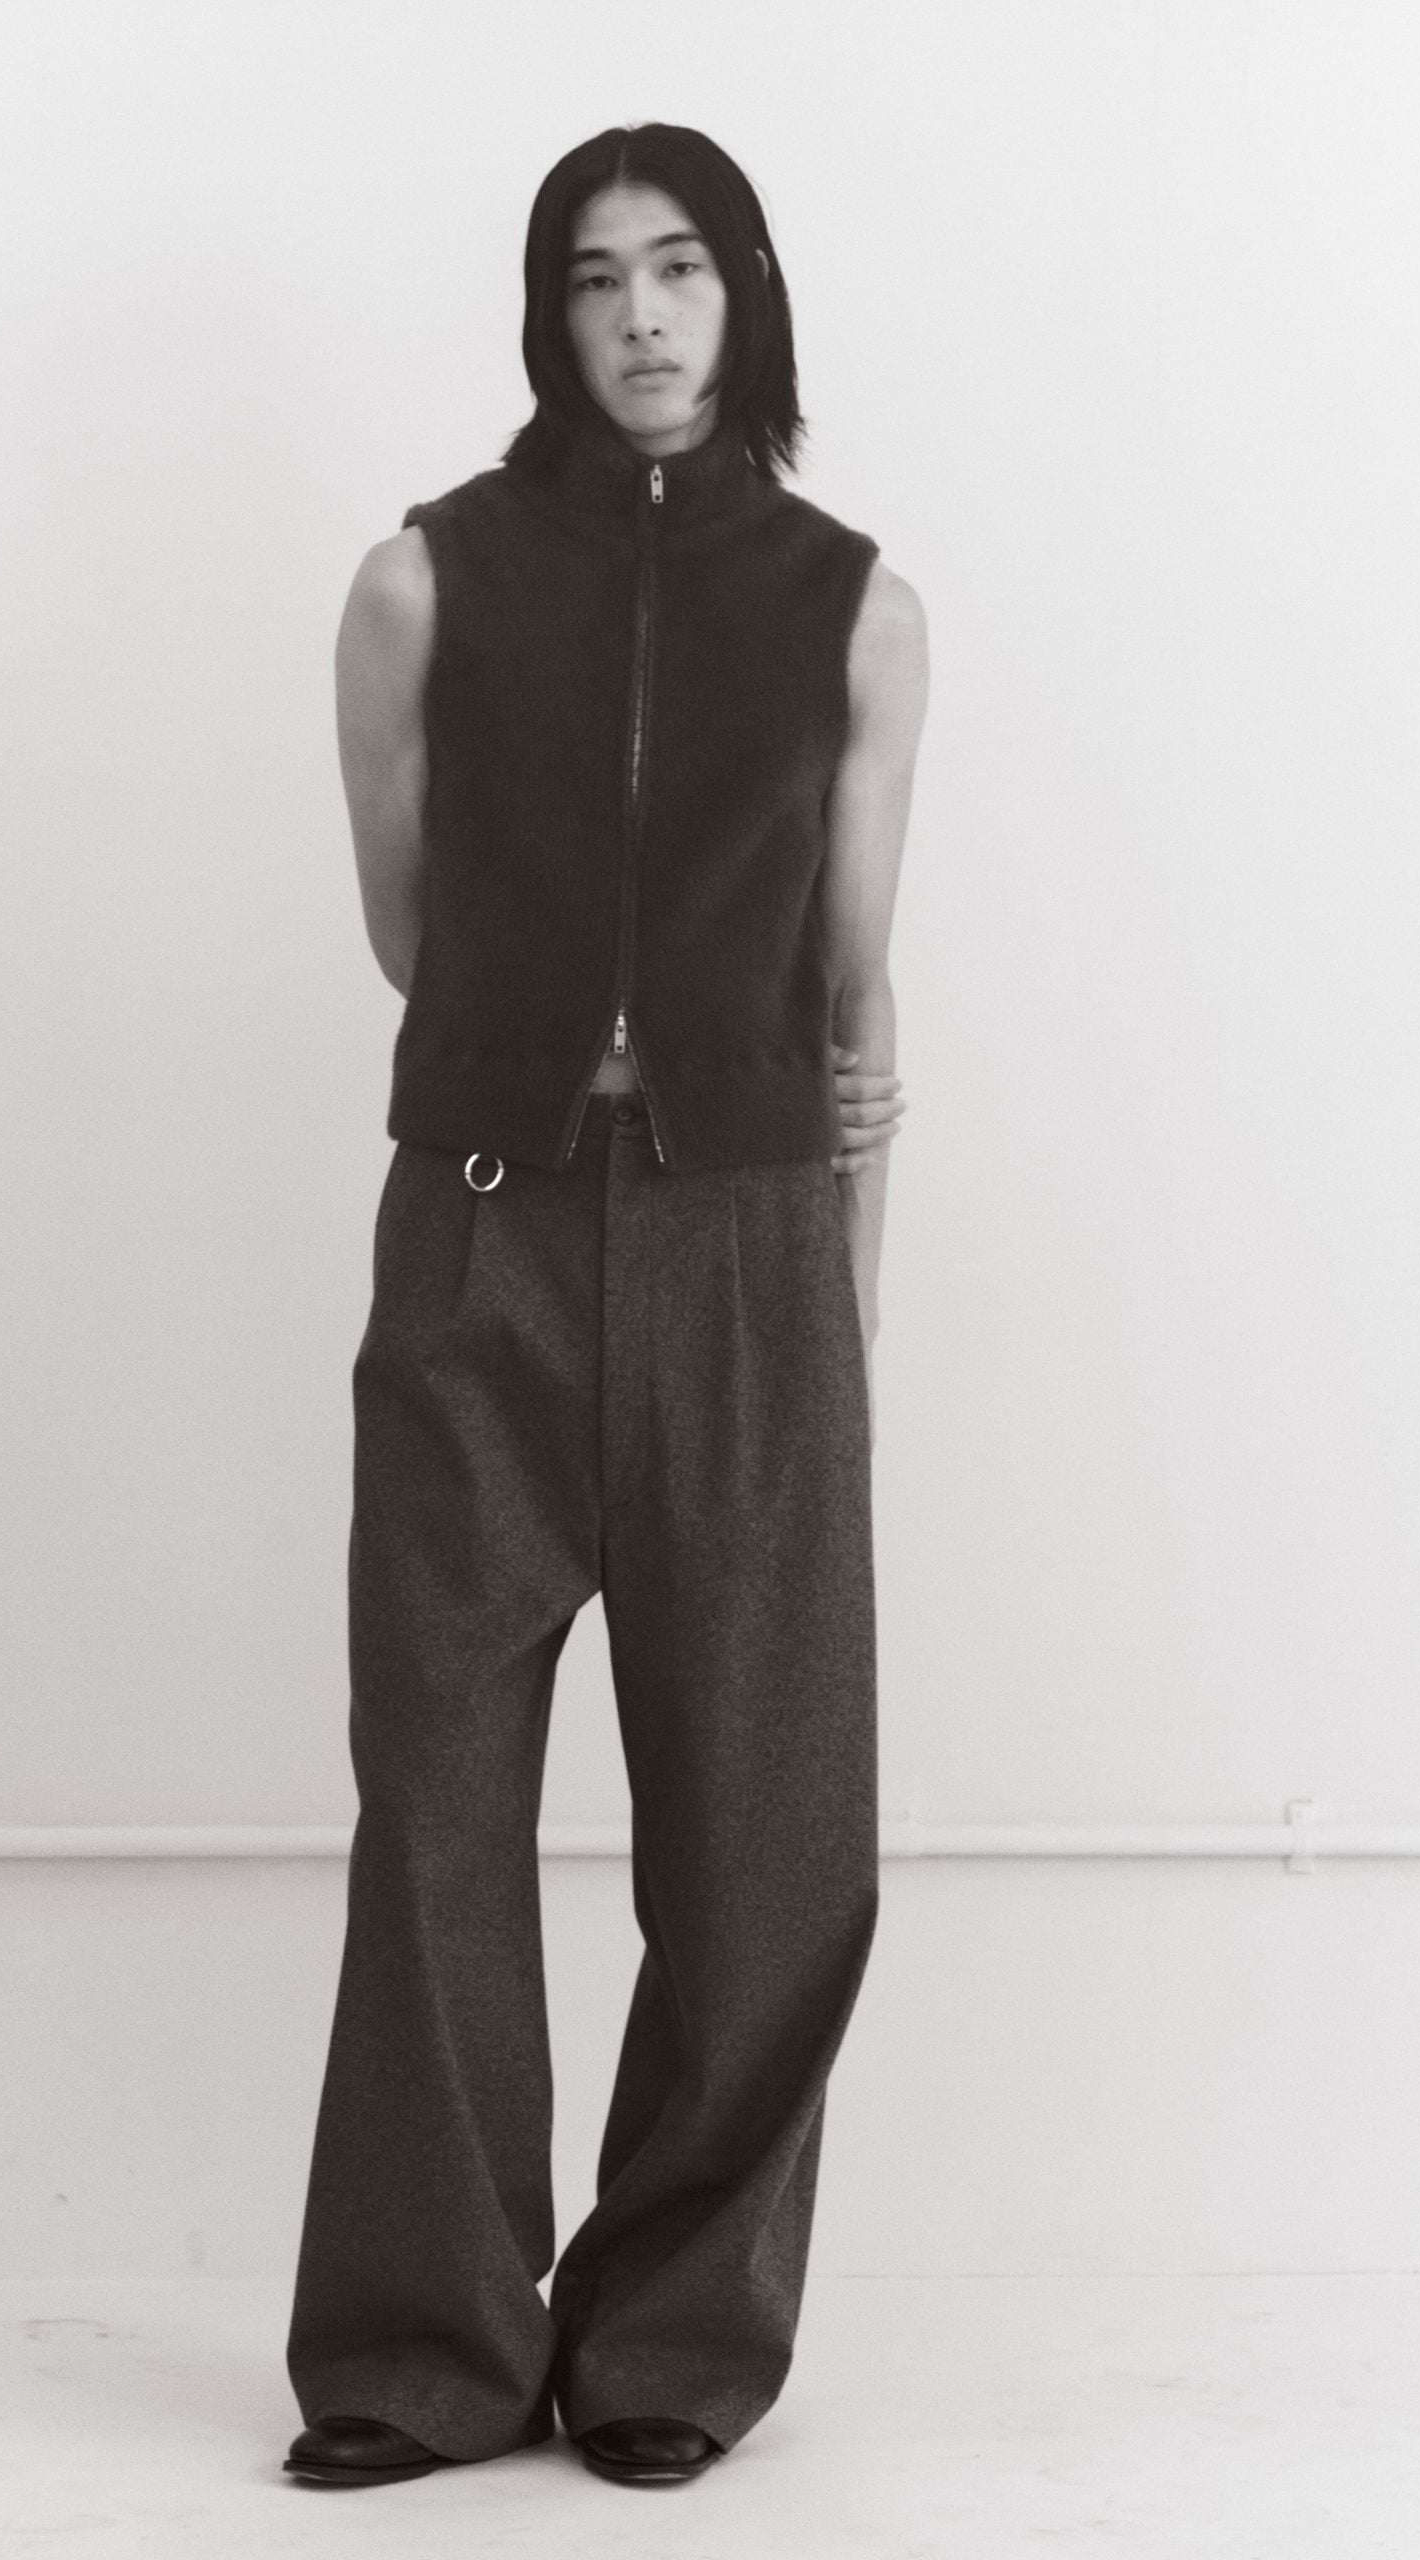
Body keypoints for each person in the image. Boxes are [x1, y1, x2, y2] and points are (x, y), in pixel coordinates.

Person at [283, 121, 928, 2491]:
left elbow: (855, 1003)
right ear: (545, 317)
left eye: (680, 268)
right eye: (591, 276)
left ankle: (669, 2339)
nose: (640, 316)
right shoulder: (421, 584)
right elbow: (414, 926)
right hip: (487, 1228)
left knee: (768, 1828)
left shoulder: (856, 609)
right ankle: (423, 2350)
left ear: (746, 292)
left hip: (754, 1244)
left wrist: (837, 1319)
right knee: (437, 1802)